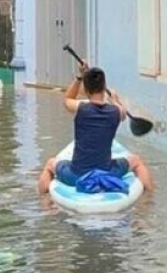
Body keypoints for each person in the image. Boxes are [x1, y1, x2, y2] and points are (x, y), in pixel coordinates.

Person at [38, 62, 155, 194]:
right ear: (104, 87)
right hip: (107, 173)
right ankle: (148, 200)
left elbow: (67, 99)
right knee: (136, 161)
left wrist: (79, 76)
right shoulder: (116, 112)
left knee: (50, 164)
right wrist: (115, 100)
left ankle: (45, 204)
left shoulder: (80, 108)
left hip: (76, 175)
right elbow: (122, 112)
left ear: (86, 90)